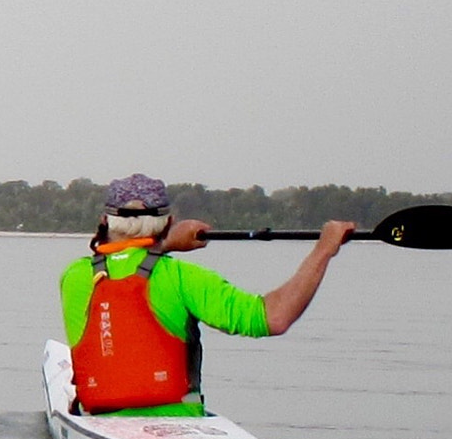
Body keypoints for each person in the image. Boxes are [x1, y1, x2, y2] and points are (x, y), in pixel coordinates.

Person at [60, 173, 355, 417]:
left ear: (105, 220)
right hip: (180, 430)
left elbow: (125, 267)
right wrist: (324, 249)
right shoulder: (183, 278)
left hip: (100, 425)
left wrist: (164, 243)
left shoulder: (74, 276)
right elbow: (274, 318)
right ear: (168, 220)